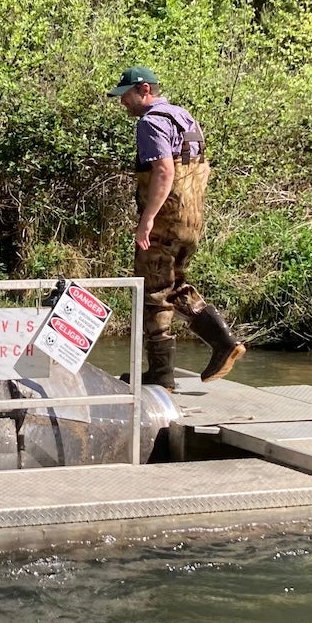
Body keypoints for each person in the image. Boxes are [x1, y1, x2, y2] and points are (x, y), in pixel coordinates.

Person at [109, 66, 243, 389]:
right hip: (191, 222)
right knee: (173, 285)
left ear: (144, 90)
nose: (122, 103)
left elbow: (165, 171)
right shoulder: (184, 118)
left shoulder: (150, 122)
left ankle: (160, 376)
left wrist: (147, 219)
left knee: (153, 292)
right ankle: (223, 342)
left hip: (166, 221)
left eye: (125, 95)